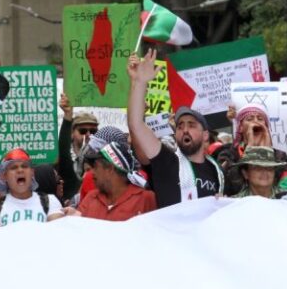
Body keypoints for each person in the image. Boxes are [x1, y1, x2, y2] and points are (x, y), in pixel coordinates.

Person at [127, 50, 224, 208]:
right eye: (180, 126)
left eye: (191, 125)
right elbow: (136, 125)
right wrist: (139, 82)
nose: (185, 129)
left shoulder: (217, 172)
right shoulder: (166, 161)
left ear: (206, 135)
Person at [0, 149, 76, 227]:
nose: (20, 170)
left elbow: (57, 234)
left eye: (25, 166)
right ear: (4, 176)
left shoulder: (50, 201)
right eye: (14, 168)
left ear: (32, 172)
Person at [77, 142, 157, 220]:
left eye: (96, 167)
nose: (92, 172)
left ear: (110, 169)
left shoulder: (145, 199)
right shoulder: (91, 198)